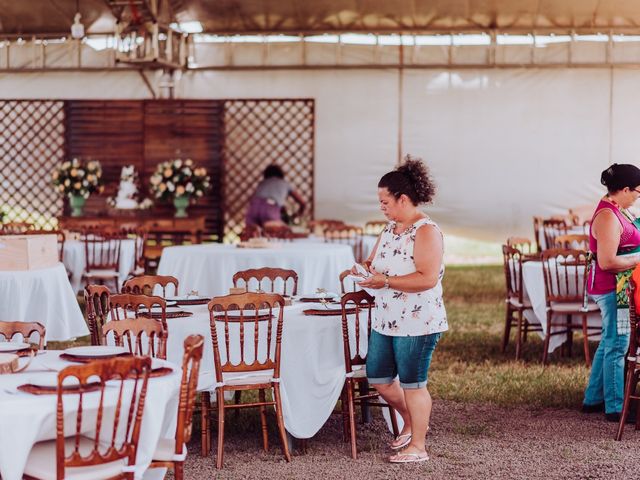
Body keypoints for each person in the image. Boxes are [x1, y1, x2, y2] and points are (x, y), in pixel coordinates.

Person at [354, 156, 447, 463]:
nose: (382, 207)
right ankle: (412, 421)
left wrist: (386, 280)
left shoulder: (426, 231)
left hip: (418, 322)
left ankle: (418, 446)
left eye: (385, 202)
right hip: (386, 319)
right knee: (378, 377)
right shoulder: (390, 228)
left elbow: (427, 278)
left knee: (412, 383)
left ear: (403, 199)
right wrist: (364, 271)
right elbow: (374, 262)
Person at [582, 163, 640, 422]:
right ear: (625, 189)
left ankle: (592, 399)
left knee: (608, 342)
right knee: (618, 344)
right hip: (612, 290)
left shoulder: (619, 209)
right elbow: (606, 262)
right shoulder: (607, 216)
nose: (638, 196)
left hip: (618, 288)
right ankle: (615, 407)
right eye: (637, 191)